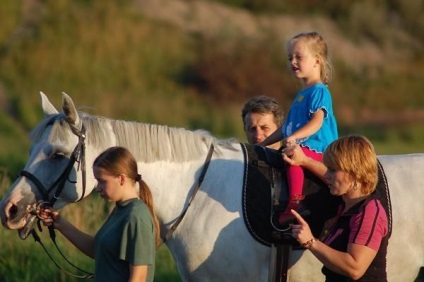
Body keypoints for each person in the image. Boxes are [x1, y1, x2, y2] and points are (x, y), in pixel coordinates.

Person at [40, 146, 160, 282]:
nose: (98, 188)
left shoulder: (136, 216)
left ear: (121, 179)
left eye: (102, 181)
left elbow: (138, 279)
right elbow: (96, 249)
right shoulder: (121, 210)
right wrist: (60, 223)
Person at [283, 135, 388, 281]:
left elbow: (355, 268)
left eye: (333, 170)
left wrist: (311, 242)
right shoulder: (348, 205)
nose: (328, 176)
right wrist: (304, 160)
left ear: (354, 173)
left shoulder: (368, 212)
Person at [260, 31, 338, 225]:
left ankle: (294, 204)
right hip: (301, 144)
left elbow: (317, 122)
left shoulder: (319, 91)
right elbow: (286, 128)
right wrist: (263, 144)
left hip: (318, 148)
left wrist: (294, 138)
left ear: (317, 61)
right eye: (290, 58)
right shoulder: (302, 94)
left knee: (293, 157)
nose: (292, 62)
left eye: (299, 57)